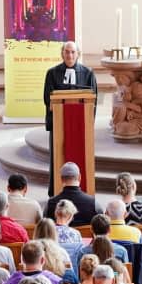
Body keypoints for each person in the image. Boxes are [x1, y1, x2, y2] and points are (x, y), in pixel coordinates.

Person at [43, 41, 98, 195]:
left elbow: (93, 100)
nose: (69, 55)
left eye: (73, 52)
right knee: (58, 155)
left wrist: (89, 124)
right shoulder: (52, 73)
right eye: (67, 52)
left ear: (78, 54)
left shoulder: (88, 73)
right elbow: (48, 99)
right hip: (59, 123)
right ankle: (56, 190)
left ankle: (84, 190)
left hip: (81, 124)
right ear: (62, 54)